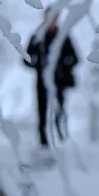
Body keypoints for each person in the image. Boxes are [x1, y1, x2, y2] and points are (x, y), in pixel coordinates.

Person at [25, 10, 79, 146]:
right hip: (41, 81)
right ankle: (44, 143)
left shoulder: (63, 37)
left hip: (59, 82)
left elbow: (75, 58)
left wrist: (62, 65)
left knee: (59, 110)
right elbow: (26, 58)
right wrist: (38, 64)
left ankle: (61, 139)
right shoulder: (37, 37)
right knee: (42, 113)